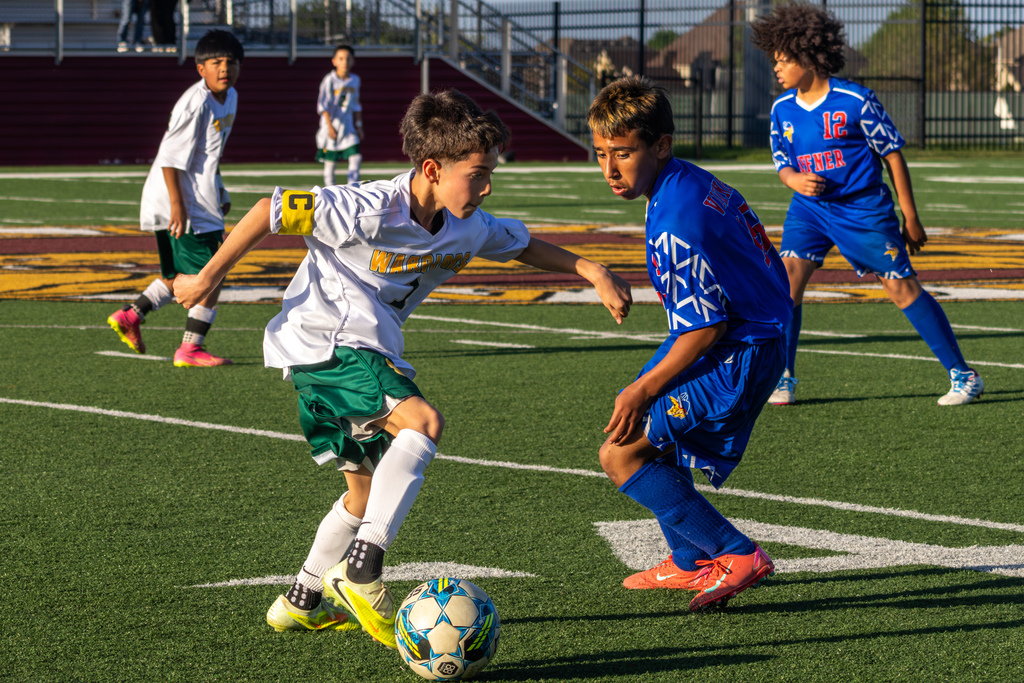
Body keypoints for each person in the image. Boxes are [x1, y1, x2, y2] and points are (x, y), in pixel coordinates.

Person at [172, 89, 633, 643]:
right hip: (334, 345)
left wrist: (592, 269)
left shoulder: (468, 224)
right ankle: (363, 572)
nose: (486, 187)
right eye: (478, 174)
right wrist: (207, 278)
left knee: (363, 494)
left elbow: (523, 243)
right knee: (423, 423)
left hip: (331, 358)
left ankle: (302, 597)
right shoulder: (367, 209)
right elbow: (271, 210)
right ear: (433, 168)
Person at [589, 76, 791, 611]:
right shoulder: (682, 183)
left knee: (621, 454)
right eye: (601, 154)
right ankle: (689, 563)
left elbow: (706, 327)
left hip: (740, 349)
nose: (610, 169)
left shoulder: (675, 219)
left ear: (660, 145)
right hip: (754, 335)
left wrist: (641, 388)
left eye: (624, 154)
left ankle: (735, 553)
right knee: (652, 437)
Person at [751, 2, 983, 406]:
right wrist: (794, 180)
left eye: (784, 60)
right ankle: (784, 376)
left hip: (863, 210)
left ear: (808, 57)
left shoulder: (856, 100)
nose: (777, 68)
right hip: (810, 210)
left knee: (900, 288)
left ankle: (964, 376)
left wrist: (910, 216)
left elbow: (892, 155)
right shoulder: (781, 109)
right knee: (786, 283)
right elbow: (782, 164)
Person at [107, 29, 243, 367]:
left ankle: (131, 315)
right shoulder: (195, 102)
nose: (224, 68)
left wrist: (220, 188)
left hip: (192, 198)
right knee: (212, 272)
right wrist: (179, 205)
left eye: (231, 62)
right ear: (201, 69)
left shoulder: (230, 97)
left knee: (183, 273)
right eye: (216, 62)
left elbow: (208, 154)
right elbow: (170, 156)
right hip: (183, 202)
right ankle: (190, 348)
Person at [316, 45, 363, 186]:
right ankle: (329, 194)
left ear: (353, 61)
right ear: (334, 61)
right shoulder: (329, 80)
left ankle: (352, 190)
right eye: (341, 58)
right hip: (331, 126)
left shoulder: (355, 80)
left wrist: (359, 125)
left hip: (347, 126)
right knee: (330, 163)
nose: (345, 62)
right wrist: (329, 127)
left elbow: (356, 104)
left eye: (348, 59)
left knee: (356, 156)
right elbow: (322, 105)